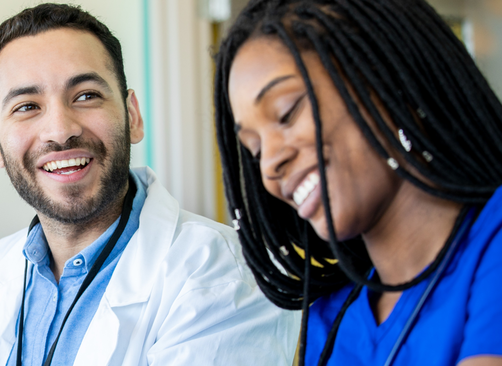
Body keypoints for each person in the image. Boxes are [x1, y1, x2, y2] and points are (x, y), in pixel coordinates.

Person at [0, 4, 299, 365]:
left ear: (132, 116)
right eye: (26, 106)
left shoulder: (223, 274)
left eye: (86, 96)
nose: (60, 130)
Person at [215, 0, 502, 365]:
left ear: (387, 81)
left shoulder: (493, 244)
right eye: (254, 149)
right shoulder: (331, 320)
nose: (270, 163)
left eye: (287, 112)